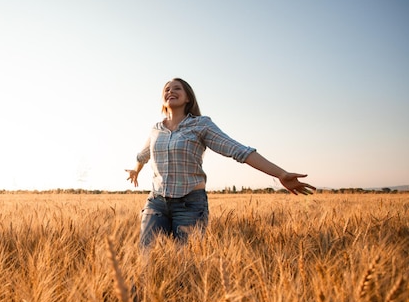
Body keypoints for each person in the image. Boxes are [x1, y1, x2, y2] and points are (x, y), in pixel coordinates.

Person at [126, 78, 315, 248]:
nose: (170, 91)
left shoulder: (201, 124)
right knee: (147, 258)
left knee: (184, 263)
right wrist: (136, 170)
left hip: (189, 205)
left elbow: (238, 150)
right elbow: (143, 155)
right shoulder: (156, 129)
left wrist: (280, 174)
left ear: (188, 98)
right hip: (156, 203)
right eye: (166, 89)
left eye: (177, 88)